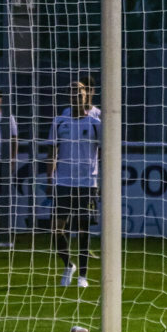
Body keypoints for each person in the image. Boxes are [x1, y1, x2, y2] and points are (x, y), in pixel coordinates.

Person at [48, 81, 101, 288]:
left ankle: (83, 276)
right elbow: (52, 151)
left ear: (86, 95)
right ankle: (68, 265)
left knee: (83, 229)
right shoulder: (59, 121)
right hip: (63, 181)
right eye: (72, 93)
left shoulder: (96, 122)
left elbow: (103, 152)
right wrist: (50, 178)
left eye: (79, 93)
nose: (76, 96)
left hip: (87, 183)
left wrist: (102, 181)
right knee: (56, 229)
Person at [0, 89, 18, 248]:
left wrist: (12, 160)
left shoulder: (7, 117)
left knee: (4, 200)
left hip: (2, 162)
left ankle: (4, 235)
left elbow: (14, 138)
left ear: (0, 100)